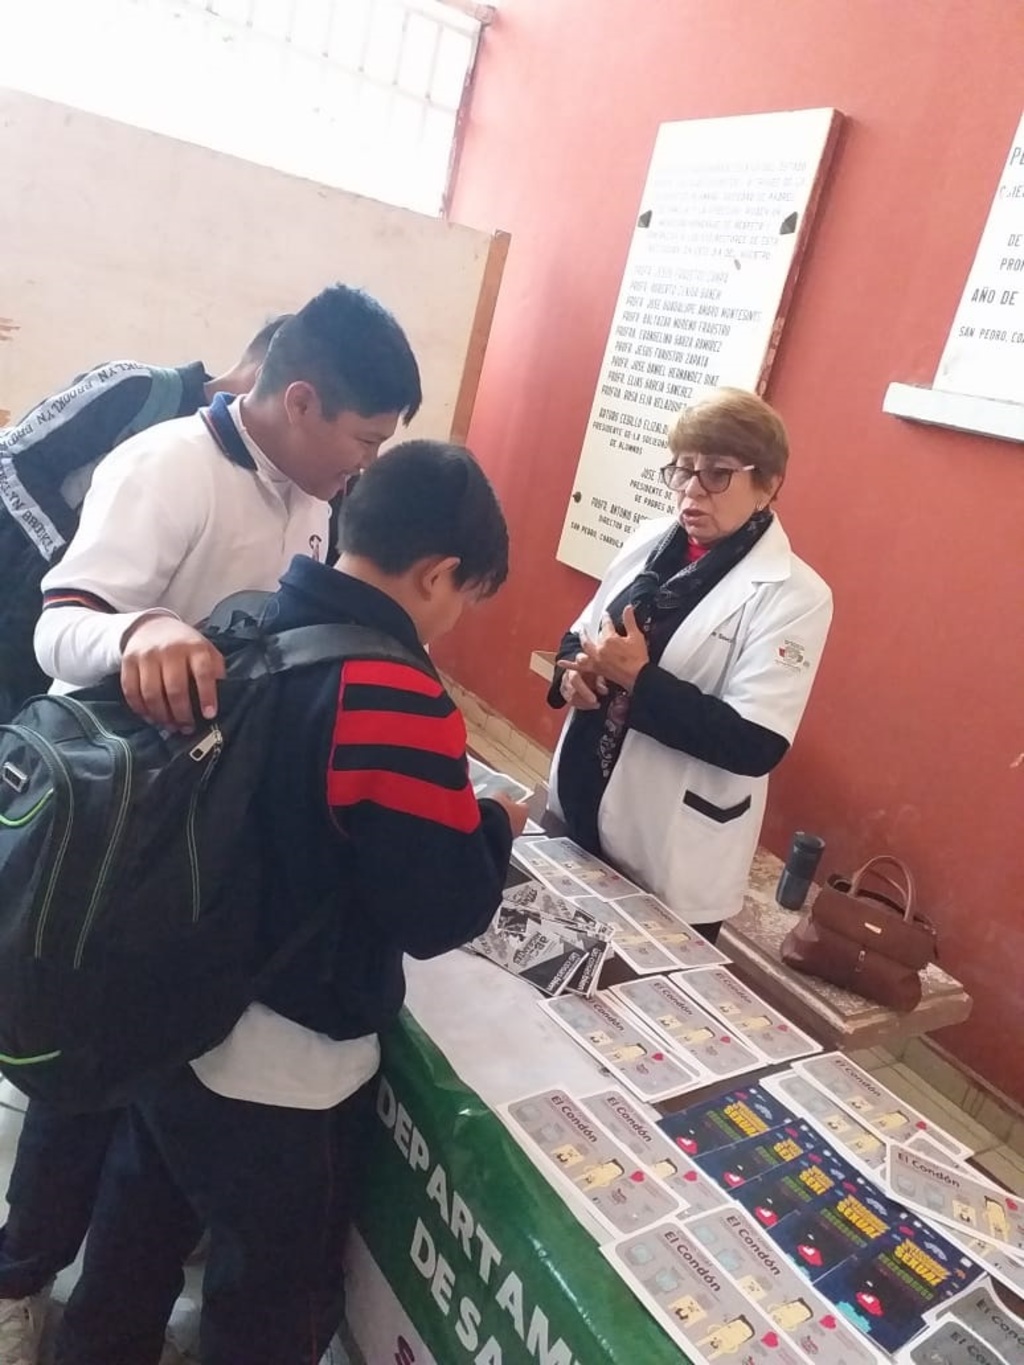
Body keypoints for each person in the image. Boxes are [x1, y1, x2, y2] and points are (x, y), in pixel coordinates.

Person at [0, 284, 423, 1365]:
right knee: (81, 1080)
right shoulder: (168, 465)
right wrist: (139, 630)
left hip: (205, 833)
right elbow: (61, 625)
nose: (366, 466)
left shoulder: (312, 496)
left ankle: (108, 1280)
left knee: (153, 1077)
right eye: (364, 439)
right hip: (118, 833)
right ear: (300, 399)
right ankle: (19, 1276)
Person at [51, 441, 524, 1365]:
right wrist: (494, 827)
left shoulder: (239, 621)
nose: (455, 618)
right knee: (274, 1292)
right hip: (282, 1063)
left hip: (167, 1013)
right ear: (437, 574)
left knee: (133, 1234)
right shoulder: (398, 697)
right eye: (466, 596)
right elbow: (437, 912)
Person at [547, 387, 832, 940]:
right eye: (682, 469)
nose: (691, 490)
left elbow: (754, 744)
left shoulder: (796, 595)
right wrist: (572, 672)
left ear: (769, 484)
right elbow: (582, 632)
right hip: (579, 801)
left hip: (670, 850)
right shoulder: (651, 540)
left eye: (718, 473)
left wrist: (638, 680)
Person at [0, 315, 291, 721]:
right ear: (268, 377)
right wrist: (72, 555)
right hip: (25, 603)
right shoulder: (135, 388)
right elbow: (9, 458)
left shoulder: (270, 480)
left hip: (95, 652)